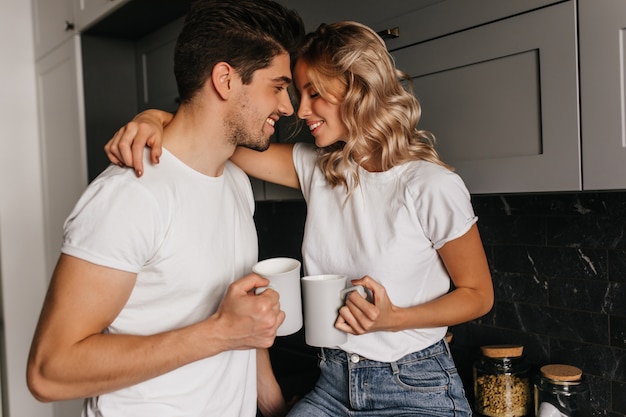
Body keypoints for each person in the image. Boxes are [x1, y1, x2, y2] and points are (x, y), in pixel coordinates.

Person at [105, 21, 494, 417]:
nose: (300, 110)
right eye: (296, 92)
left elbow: (479, 294)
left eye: (314, 93)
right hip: (332, 385)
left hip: (415, 386)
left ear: (357, 89)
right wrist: (154, 117)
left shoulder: (430, 184)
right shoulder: (320, 169)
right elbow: (217, 136)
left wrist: (396, 319)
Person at [26, 1, 305, 416]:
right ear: (225, 80)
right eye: (277, 87)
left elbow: (244, 328)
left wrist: (276, 407)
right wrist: (218, 333)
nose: (287, 107)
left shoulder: (235, 183)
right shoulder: (131, 195)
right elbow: (50, 371)